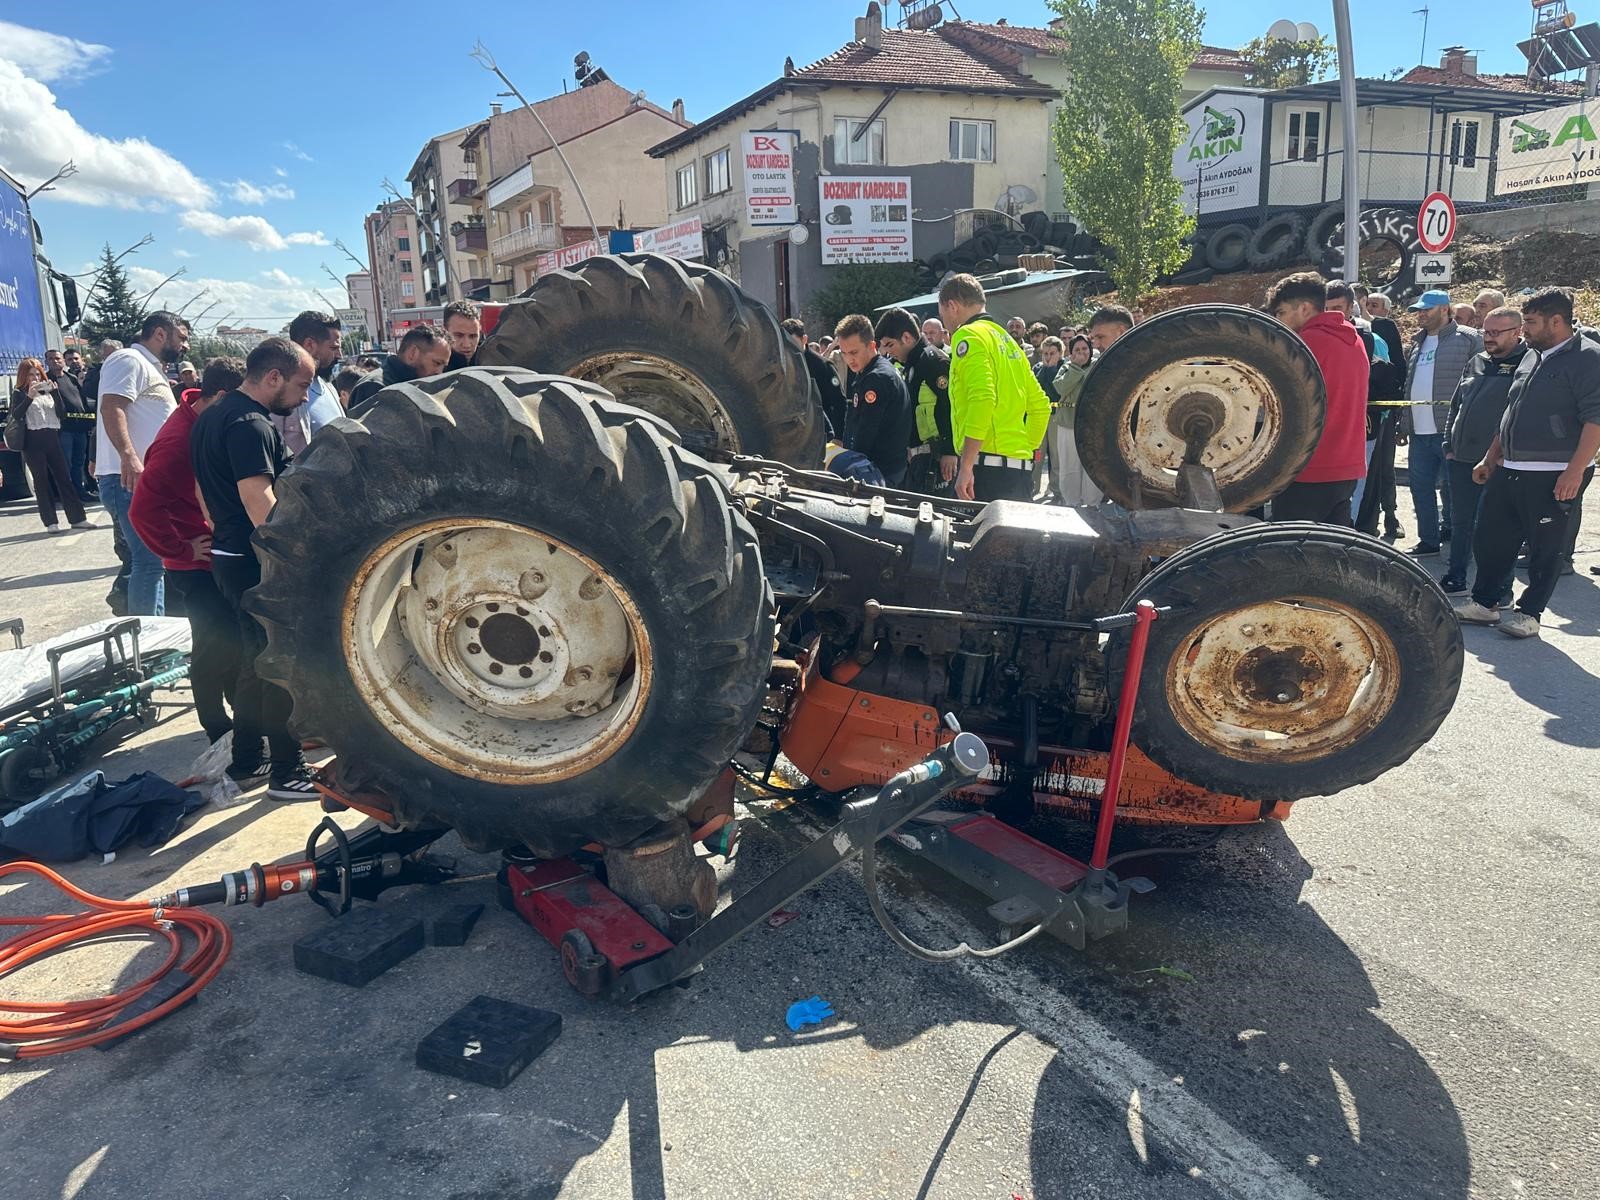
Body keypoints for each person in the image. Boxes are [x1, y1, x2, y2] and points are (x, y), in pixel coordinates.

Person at [190, 338, 320, 797]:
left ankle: (248, 760)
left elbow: (205, 496)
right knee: (280, 665)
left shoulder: (211, 418)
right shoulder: (249, 424)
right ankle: (289, 770)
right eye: (302, 383)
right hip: (255, 559)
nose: (305, 394)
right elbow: (257, 500)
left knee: (253, 662)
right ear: (273, 377)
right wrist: (291, 557)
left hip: (228, 555)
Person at [1455, 287, 1599, 638]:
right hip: (1510, 468)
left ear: (1556, 321)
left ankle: (1530, 613)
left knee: (1545, 550)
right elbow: (1511, 411)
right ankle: (1486, 603)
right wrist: (1491, 457)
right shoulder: (1532, 356)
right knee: (1490, 539)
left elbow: (1596, 420)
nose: (1526, 330)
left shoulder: (1589, 358)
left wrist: (1574, 471)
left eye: (1531, 323)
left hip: (1553, 474)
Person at [129, 357, 247, 743]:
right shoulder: (178, 442)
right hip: (194, 561)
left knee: (229, 638)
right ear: (223, 396)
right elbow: (142, 509)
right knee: (212, 643)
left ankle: (240, 716)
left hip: (216, 551)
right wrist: (179, 548)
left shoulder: (206, 421)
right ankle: (215, 725)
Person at [97, 311, 190, 615]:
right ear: (161, 334)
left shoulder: (150, 367)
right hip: (129, 478)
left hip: (144, 478)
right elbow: (112, 407)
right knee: (149, 562)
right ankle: (148, 641)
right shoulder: (128, 360)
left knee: (152, 561)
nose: (185, 346)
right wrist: (130, 457)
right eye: (182, 337)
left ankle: (144, 626)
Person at [1264, 273, 1368, 525]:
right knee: (1334, 553)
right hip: (1345, 468)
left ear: (1304, 308)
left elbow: (1276, 399)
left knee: (1292, 556)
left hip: (1307, 469)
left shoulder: (1305, 343)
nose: (1279, 322)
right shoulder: (1354, 339)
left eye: (1281, 313)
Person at [938, 273, 1051, 502]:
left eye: (941, 314)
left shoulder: (967, 335)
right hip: (1018, 472)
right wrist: (1024, 452)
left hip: (985, 471)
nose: (944, 322)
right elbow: (1041, 406)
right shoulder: (1009, 341)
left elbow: (983, 397)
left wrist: (967, 465)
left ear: (952, 306)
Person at [1438, 307, 1527, 596]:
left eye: (1495, 333)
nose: (1488, 338)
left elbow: (1518, 414)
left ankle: (1501, 590)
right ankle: (1456, 577)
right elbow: (1456, 405)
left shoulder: (1526, 364)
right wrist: (1449, 446)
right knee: (1461, 523)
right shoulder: (1477, 361)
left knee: (1497, 529)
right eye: (1485, 331)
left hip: (1497, 462)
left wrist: (1497, 456)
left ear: (1517, 332)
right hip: (1461, 459)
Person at [1402, 290, 1481, 556]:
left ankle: (1461, 544)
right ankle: (1428, 540)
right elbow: (1410, 385)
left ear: (1444, 309)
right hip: (1420, 433)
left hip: (1451, 432)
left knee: (1455, 491)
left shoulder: (1468, 339)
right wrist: (1405, 423)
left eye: (1427, 309)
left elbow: (1483, 381)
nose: (1420, 314)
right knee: (1420, 487)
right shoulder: (1417, 342)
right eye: (1419, 310)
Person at [873, 307, 953, 494]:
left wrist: (949, 451)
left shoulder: (932, 360)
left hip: (937, 456)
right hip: (918, 457)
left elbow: (950, 404)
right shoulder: (910, 364)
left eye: (890, 345)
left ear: (907, 338)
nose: (886, 352)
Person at [11, 358, 92, 533]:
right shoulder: (19, 392)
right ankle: (50, 522)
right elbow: (16, 415)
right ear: (23, 376)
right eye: (31, 374)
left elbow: (61, 414)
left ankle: (78, 518)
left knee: (64, 478)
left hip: (52, 438)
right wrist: (29, 397)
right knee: (41, 481)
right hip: (32, 441)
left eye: (37, 374)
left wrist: (55, 393)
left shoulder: (46, 391)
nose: (35, 378)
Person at [833, 313, 914, 486]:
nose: (849, 360)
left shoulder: (877, 378)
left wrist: (846, 459)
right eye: (844, 353)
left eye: (854, 352)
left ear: (871, 345)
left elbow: (866, 431)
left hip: (879, 471)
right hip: (884, 468)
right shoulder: (870, 372)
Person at [271, 311, 343, 452]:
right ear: (309, 344)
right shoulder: (281, 394)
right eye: (334, 348)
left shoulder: (328, 387)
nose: (340, 355)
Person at [1046, 335, 1101, 506]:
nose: (1081, 353)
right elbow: (1060, 387)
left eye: (1084, 349)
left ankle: (1092, 503)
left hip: (1092, 424)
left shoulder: (1098, 366)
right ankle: (1071, 502)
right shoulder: (1066, 368)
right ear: (1071, 352)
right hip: (1067, 423)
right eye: (1077, 350)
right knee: (1069, 464)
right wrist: (1076, 368)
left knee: (1093, 464)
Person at [346, 325, 452, 412]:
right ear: (412, 353)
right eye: (437, 363)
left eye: (443, 367)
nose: (439, 372)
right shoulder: (375, 387)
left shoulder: (411, 384)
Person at [782, 317, 847, 439]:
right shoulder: (782, 366)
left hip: (823, 432)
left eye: (794, 344)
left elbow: (839, 403)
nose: (790, 350)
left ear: (804, 339)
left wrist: (838, 438)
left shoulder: (823, 366)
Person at [45, 349, 94, 502]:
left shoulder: (70, 378)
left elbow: (82, 400)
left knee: (79, 463)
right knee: (65, 464)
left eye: (58, 358)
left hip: (79, 428)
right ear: (46, 361)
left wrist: (89, 422)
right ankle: (67, 494)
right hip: (63, 430)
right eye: (51, 359)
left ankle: (80, 491)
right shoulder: (46, 380)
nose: (55, 361)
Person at [443, 299, 482, 370]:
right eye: (459, 335)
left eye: (473, 336)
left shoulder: (491, 361)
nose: (466, 345)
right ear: (445, 331)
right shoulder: (434, 369)